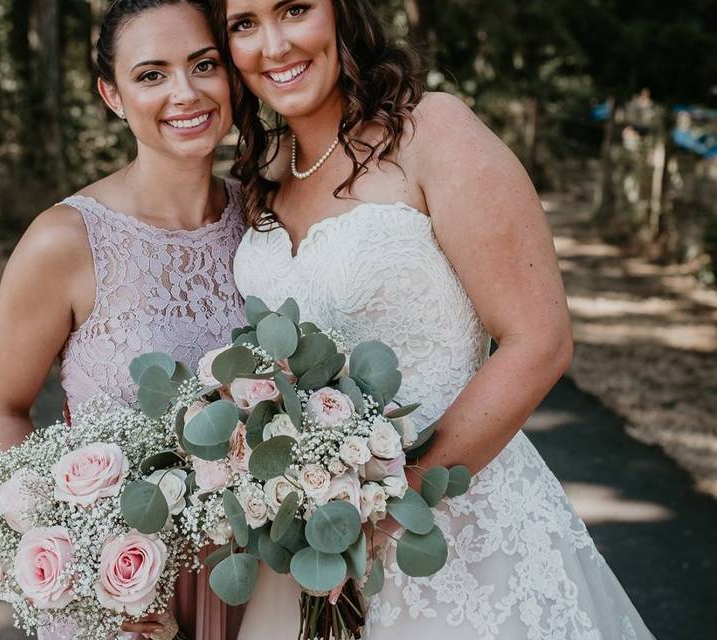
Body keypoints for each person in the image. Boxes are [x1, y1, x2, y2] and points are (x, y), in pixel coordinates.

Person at [209, 0, 656, 637]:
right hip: (312, 545)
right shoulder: (261, 174)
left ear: (341, 13)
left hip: (463, 531)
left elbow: (540, 340)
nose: (274, 45)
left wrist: (388, 507)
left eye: (295, 9)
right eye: (243, 24)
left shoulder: (431, 132)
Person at [0, 1, 245, 638]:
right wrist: (78, 554)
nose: (185, 92)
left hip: (259, 577)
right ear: (112, 94)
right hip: (129, 600)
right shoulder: (64, 240)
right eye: (151, 74)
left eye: (204, 64)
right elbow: (1, 406)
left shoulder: (262, 218)